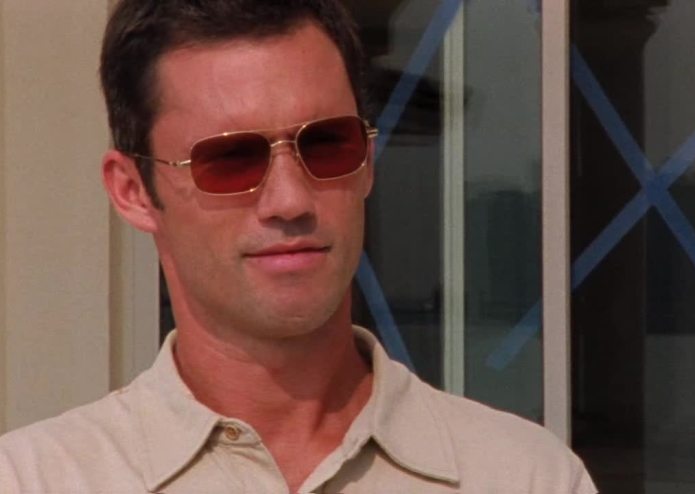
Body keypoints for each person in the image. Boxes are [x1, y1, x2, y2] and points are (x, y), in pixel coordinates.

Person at [0, 1, 597, 493]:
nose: (289, 200)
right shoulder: (36, 479)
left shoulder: (525, 476)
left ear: (367, 161)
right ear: (132, 191)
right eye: (230, 159)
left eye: (327, 144)